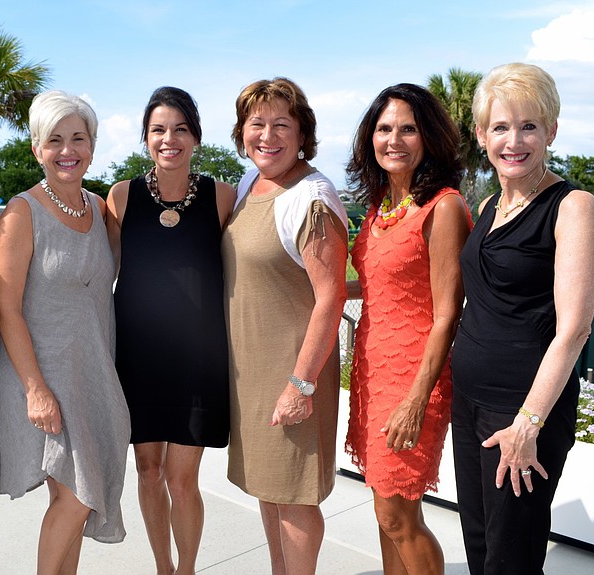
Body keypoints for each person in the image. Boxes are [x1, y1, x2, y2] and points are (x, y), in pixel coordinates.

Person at [450, 62, 594, 575]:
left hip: (522, 411)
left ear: (552, 130)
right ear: (481, 135)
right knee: (477, 543)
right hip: (468, 401)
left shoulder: (573, 205)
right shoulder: (490, 202)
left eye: (529, 126)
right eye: (500, 127)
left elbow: (575, 327)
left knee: (510, 560)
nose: (514, 141)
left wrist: (528, 424)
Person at [0, 90, 131, 575]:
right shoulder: (20, 213)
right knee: (74, 499)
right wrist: (36, 390)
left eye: (78, 138)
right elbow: (6, 310)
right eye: (55, 140)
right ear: (37, 148)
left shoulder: (99, 207)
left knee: (76, 499)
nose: (67, 150)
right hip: (43, 375)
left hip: (92, 371)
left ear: (92, 144)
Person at [343, 83, 472, 575]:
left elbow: (447, 312)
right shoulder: (379, 206)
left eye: (408, 129)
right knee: (385, 513)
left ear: (429, 138)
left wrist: (417, 399)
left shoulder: (442, 208)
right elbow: (378, 285)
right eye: (383, 128)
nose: (394, 139)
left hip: (415, 379)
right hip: (371, 375)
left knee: (397, 514)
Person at [105, 86, 235, 574]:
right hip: (138, 358)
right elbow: (104, 271)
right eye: (159, 129)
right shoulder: (122, 197)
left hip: (198, 361)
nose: (170, 139)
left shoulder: (222, 198)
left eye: (181, 129)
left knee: (182, 480)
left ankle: (186, 569)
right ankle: (163, 566)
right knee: (147, 470)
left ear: (196, 138)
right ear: (145, 138)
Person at [221, 77, 348, 574]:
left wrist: (301, 384)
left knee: (294, 496)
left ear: (302, 134)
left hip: (293, 374)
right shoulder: (252, 184)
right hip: (250, 373)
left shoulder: (311, 197)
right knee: (269, 489)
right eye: (257, 124)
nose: (267, 135)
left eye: (281, 124)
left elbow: (331, 296)